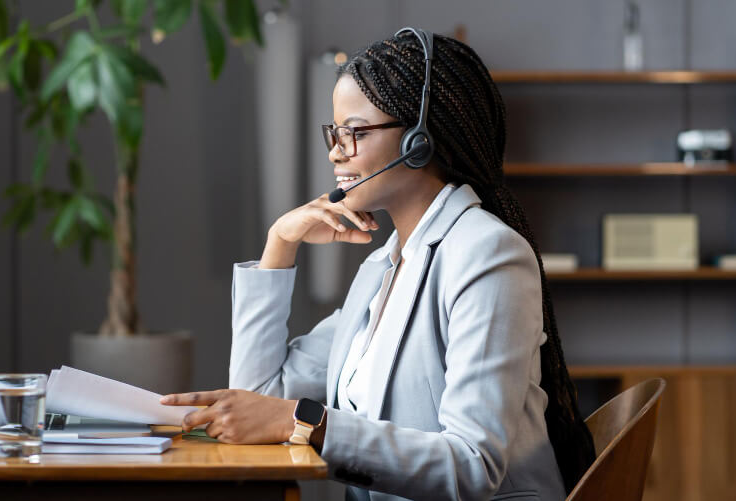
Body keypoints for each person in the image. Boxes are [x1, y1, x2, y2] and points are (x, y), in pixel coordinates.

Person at [162, 28, 595, 501]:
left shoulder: (487, 254)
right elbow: (258, 394)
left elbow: (473, 466)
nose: (335, 151)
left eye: (356, 132)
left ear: (419, 142)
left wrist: (307, 422)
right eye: (335, 133)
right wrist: (280, 244)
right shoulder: (383, 267)